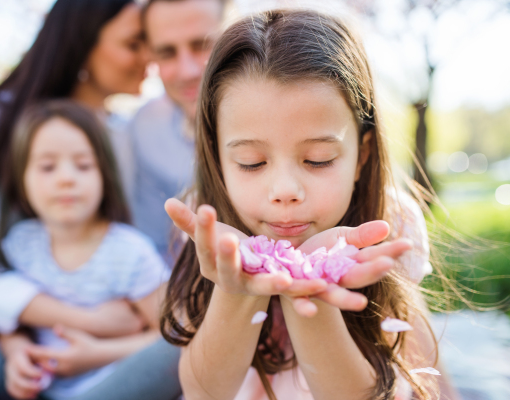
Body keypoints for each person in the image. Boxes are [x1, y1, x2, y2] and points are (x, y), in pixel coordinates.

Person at [160, 9, 455, 399]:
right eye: (252, 162)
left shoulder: (388, 225)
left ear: (361, 156)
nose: (285, 190)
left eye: (317, 159)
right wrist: (236, 290)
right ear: (218, 159)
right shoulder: (208, 231)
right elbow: (204, 391)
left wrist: (310, 289)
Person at [0, 100, 179, 400]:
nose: (66, 179)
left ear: (104, 174)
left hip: (104, 389)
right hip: (35, 385)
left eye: (83, 165)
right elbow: (9, 322)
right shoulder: (21, 243)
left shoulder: (129, 252)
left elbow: (171, 337)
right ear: (22, 180)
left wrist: (97, 354)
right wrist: (15, 353)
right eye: (47, 167)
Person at [0, 0, 148, 336]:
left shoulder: (119, 134)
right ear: (82, 43)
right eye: (133, 43)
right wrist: (86, 320)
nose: (149, 56)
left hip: (42, 343)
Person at [127, 0, 226, 265]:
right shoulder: (146, 129)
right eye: (167, 53)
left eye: (202, 44)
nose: (188, 71)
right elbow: (153, 248)